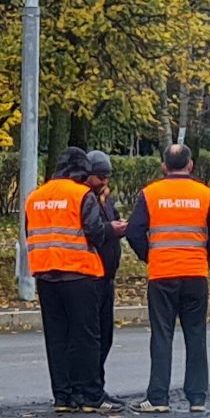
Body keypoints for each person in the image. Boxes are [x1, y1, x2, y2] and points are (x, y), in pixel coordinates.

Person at [126, 143, 210, 414]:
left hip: (162, 273)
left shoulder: (150, 194)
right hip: (195, 273)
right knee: (196, 335)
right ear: (190, 165)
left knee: (162, 335)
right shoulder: (204, 194)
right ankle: (197, 398)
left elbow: (134, 231)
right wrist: (203, 253)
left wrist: (150, 256)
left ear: (164, 166)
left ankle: (159, 397)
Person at [25, 147, 120, 412]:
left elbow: (29, 232)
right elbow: (94, 231)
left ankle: (63, 397)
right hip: (80, 274)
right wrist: (112, 229)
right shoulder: (81, 195)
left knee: (56, 338)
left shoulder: (34, 197)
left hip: (45, 275)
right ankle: (91, 396)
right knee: (86, 336)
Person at [84, 151, 127, 374]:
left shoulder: (105, 199)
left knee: (105, 335)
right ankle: (91, 385)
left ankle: (96, 384)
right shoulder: (85, 198)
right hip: (91, 276)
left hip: (107, 276)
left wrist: (118, 226)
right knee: (94, 337)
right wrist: (112, 228)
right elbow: (93, 232)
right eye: (100, 176)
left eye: (107, 177)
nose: (104, 181)